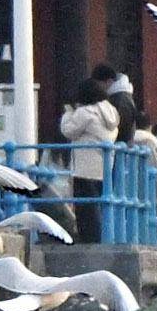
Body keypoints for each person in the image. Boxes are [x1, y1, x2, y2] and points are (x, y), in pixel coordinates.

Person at [58, 66, 123, 238]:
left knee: (85, 206)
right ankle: (102, 236)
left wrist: (68, 112)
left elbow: (68, 130)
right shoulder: (111, 111)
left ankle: (89, 237)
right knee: (99, 204)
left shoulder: (85, 112)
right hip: (104, 165)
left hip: (85, 166)